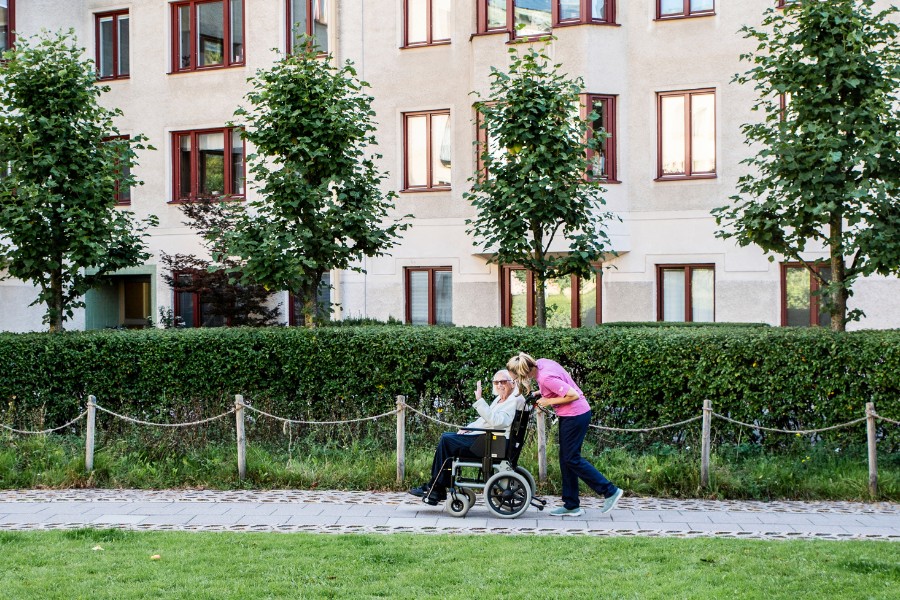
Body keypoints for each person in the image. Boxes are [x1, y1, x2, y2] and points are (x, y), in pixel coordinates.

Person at [506, 352, 623, 517]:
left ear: (524, 372)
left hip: (575, 416)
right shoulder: (542, 363)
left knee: (571, 459)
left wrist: (548, 401)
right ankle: (571, 505)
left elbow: (572, 395)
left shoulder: (545, 376)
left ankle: (610, 491)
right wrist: (540, 393)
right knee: (566, 459)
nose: (518, 380)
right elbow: (558, 384)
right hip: (571, 416)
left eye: (517, 377)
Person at [409, 369, 524, 505]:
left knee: (446, 441)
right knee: (447, 437)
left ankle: (436, 487)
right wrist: (467, 429)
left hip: (491, 443)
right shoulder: (500, 399)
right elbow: (483, 421)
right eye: (496, 382)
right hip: (487, 439)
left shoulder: (512, 401)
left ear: (512, 383)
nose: (499, 385)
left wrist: (480, 401)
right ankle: (436, 486)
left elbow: (498, 422)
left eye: (503, 382)